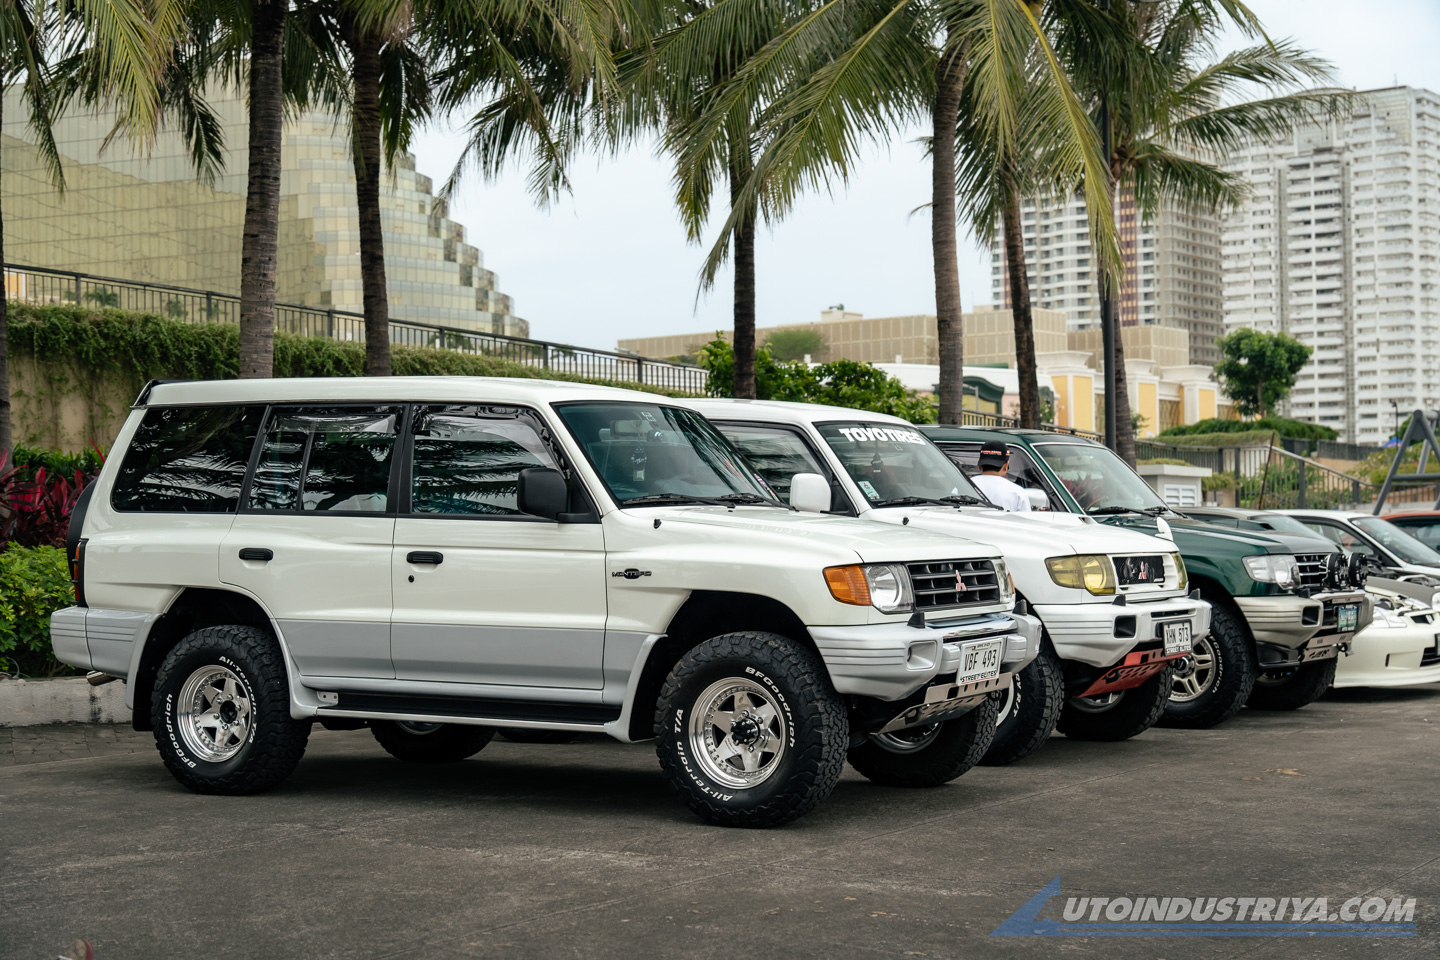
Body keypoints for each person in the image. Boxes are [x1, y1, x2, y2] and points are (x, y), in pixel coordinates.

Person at [971, 442, 1032, 512]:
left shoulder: (964, 486)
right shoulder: (1018, 493)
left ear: (979, 465)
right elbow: (1025, 521)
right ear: (1006, 466)